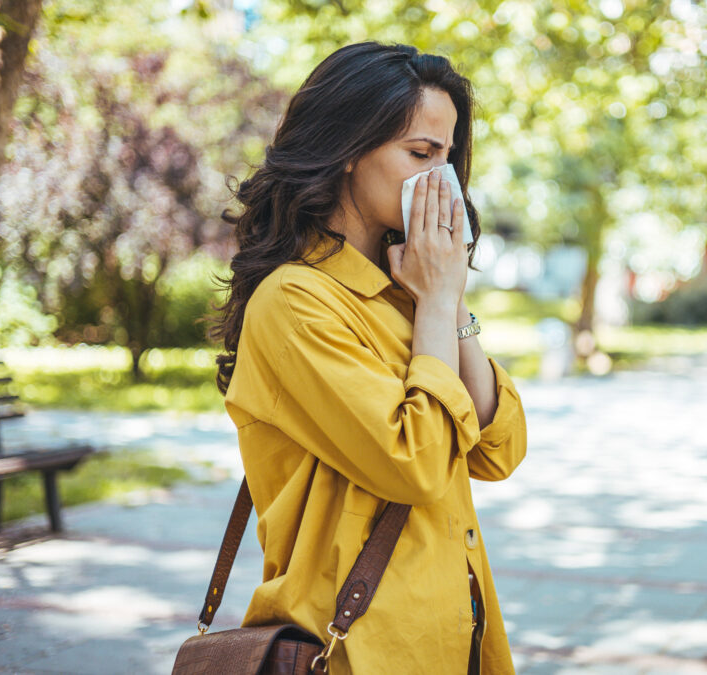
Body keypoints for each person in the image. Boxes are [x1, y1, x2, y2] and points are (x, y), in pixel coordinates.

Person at [210, 41, 528, 674]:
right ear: (350, 150)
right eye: (421, 154)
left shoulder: (407, 291)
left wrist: (448, 302)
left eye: (448, 158)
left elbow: (499, 449)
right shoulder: (296, 302)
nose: (443, 181)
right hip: (358, 650)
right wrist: (436, 305)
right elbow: (414, 464)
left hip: (454, 635)